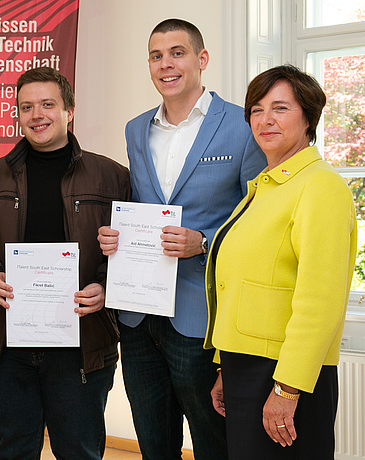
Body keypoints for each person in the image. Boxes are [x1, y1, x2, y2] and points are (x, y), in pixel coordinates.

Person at [97, 19, 266, 460]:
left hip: (200, 316)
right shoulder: (136, 129)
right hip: (137, 316)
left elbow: (257, 219)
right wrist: (117, 237)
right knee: (153, 443)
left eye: (177, 52)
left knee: (214, 442)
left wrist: (204, 242)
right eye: (156, 55)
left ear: (201, 59)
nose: (166, 64)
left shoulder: (242, 125)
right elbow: (140, 204)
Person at [0, 66, 130, 459]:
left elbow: (131, 249)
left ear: (70, 110)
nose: (37, 115)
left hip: (82, 347)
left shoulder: (112, 177)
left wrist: (106, 286)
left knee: (80, 451)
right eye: (26, 107)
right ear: (17, 115)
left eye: (48, 104)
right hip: (8, 346)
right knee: (14, 451)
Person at [205, 64, 356, 459]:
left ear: (309, 117)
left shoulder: (320, 186)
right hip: (246, 368)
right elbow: (242, 283)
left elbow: (320, 301)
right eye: (255, 110)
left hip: (284, 373)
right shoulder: (266, 186)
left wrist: (287, 388)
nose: (265, 120)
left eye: (280, 108)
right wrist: (225, 366)